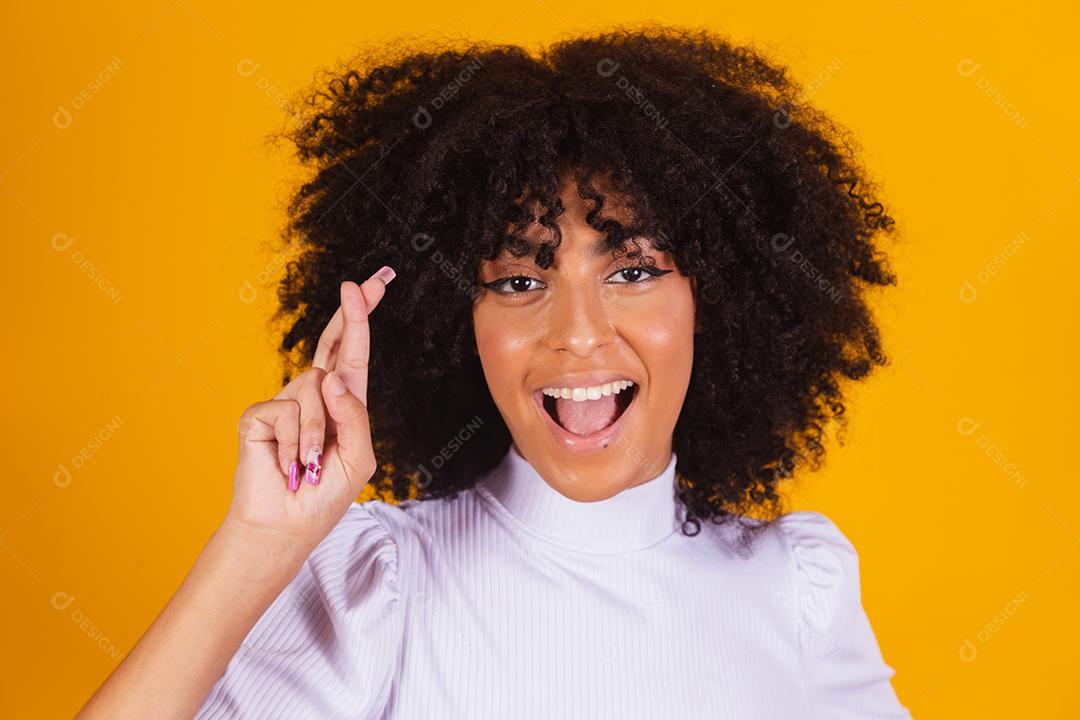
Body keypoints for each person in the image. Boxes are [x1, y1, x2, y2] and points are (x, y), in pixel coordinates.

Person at [77, 25, 912, 719]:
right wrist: (259, 547)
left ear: (720, 301)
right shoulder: (380, 584)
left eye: (632, 271)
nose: (578, 336)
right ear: (454, 322)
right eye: (519, 281)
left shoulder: (800, 588)